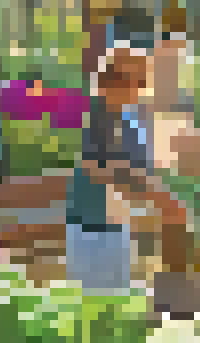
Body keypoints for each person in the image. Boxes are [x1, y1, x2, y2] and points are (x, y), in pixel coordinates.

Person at [67, 45, 190, 292]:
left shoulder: (125, 121)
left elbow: (133, 169)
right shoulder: (98, 116)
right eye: (130, 79)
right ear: (107, 81)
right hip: (92, 229)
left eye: (141, 80)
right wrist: (155, 196)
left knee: (113, 299)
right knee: (100, 300)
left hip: (114, 226)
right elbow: (99, 168)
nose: (137, 88)